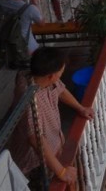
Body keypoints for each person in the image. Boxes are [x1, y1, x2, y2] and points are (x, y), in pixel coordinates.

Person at [9, 47, 94, 188]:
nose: (61, 77)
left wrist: (80, 108)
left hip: (54, 144)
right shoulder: (29, 99)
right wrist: (61, 172)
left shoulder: (41, 78)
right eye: (60, 74)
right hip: (36, 162)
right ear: (51, 76)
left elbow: (61, 90)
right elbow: (36, 139)